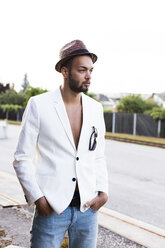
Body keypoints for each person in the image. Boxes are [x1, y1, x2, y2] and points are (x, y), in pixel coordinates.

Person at [13, 40, 108, 248]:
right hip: (52, 209)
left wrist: (103, 191)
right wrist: (39, 199)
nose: (89, 75)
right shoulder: (39, 104)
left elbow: (98, 155)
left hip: (87, 209)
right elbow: (21, 158)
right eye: (82, 70)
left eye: (91, 70)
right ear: (65, 71)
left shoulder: (96, 108)